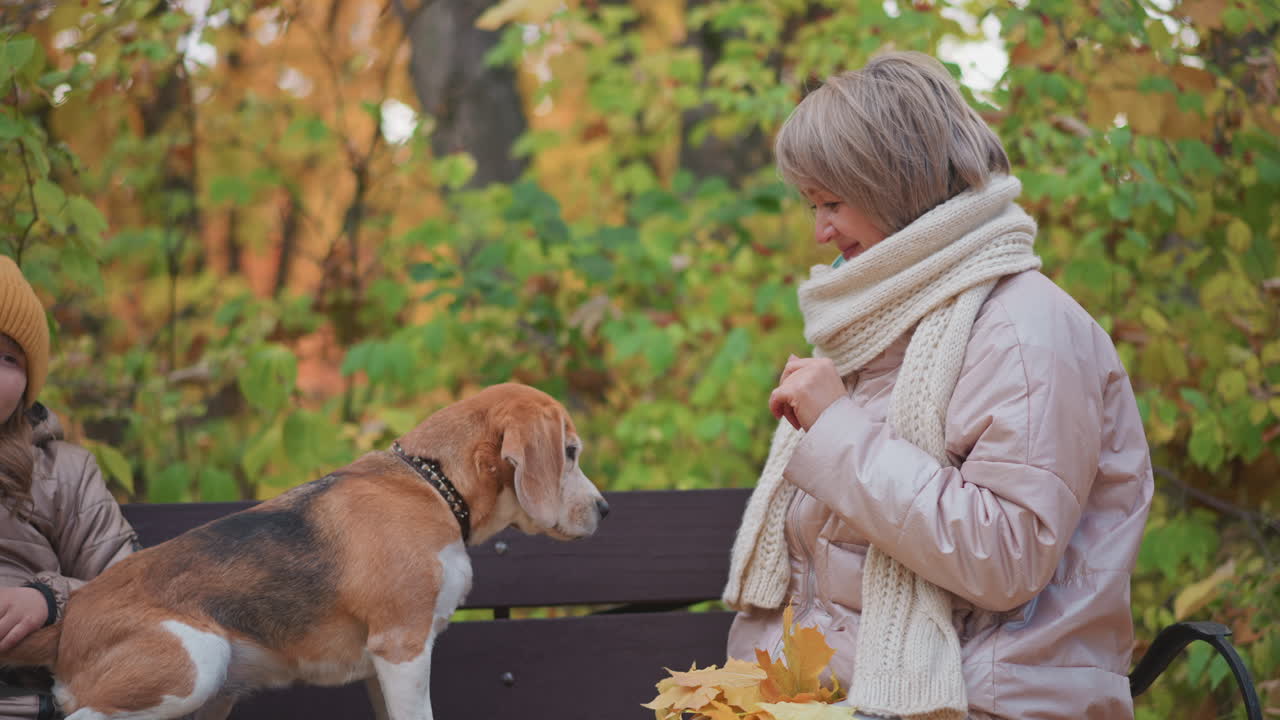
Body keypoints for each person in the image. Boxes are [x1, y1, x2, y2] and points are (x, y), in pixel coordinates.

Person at [722, 52, 1153, 720]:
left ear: (896, 185)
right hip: (842, 698)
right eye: (812, 205)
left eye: (833, 203)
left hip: (982, 701)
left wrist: (838, 433)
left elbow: (1004, 560)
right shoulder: (881, 328)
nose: (820, 231)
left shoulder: (1022, 331)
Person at [0, 256, 138, 720]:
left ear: (26, 384)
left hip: (41, 704)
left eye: (8, 358)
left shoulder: (65, 474)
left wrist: (49, 599)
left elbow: (135, 599)